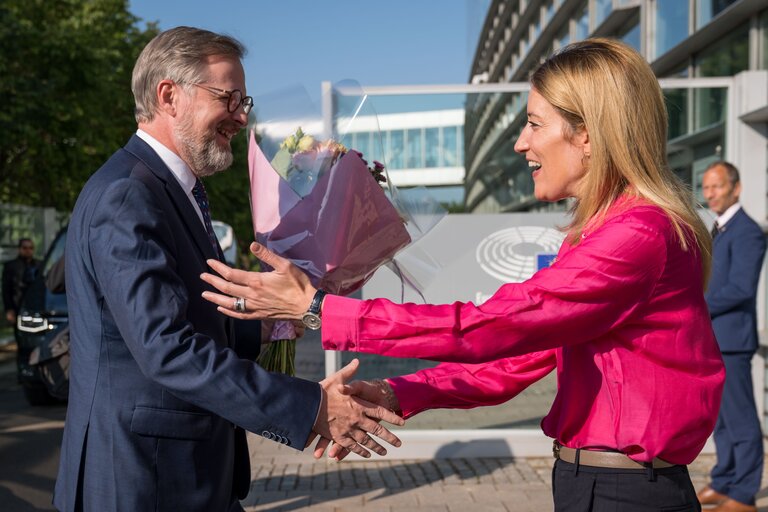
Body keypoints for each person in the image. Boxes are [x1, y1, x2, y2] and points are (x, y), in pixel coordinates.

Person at [201, 38, 726, 511]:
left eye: (534, 123)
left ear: (587, 135)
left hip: (625, 494)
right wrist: (397, 391)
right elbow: (516, 360)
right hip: (598, 486)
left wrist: (317, 309)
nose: (521, 143)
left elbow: (488, 327)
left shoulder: (636, 235)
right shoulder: (606, 233)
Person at [54, 26, 402, 512]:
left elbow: (187, 319)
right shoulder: (129, 195)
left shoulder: (171, 189)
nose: (241, 116)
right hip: (143, 480)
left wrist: (269, 325)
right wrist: (310, 407)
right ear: (169, 95)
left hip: (182, 475)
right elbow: (168, 349)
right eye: (228, 98)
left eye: (245, 101)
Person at [695, 161, 766, 512]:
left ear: (736, 188)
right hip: (715, 337)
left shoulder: (747, 231)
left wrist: (697, 306)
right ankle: (724, 480)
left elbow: (740, 288)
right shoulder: (720, 228)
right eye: (706, 188)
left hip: (733, 340)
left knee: (741, 419)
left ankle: (744, 493)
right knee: (720, 419)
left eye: (717, 187)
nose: (710, 194)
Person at [2, 237, 39, 324]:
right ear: (20, 249)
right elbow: (6, 289)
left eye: (31, 248)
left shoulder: (39, 265)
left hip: (36, 306)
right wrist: (9, 309)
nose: (28, 250)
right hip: (17, 306)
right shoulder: (10, 266)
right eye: (25, 248)